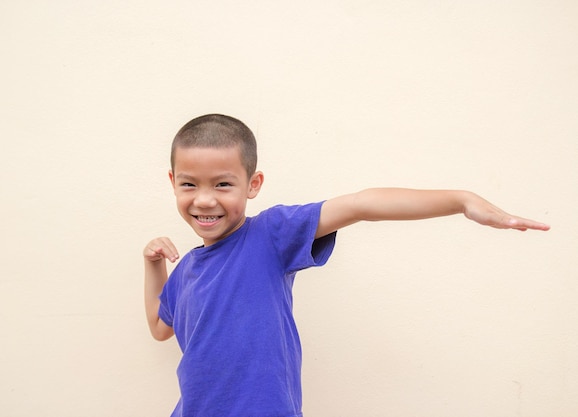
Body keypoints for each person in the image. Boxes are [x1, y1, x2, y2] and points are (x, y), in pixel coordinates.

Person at [143, 114, 550, 417]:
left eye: (223, 184)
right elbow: (161, 328)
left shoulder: (270, 235)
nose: (205, 199)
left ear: (253, 184)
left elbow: (360, 205)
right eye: (189, 184)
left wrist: (460, 201)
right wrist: (153, 265)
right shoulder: (187, 271)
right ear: (173, 181)